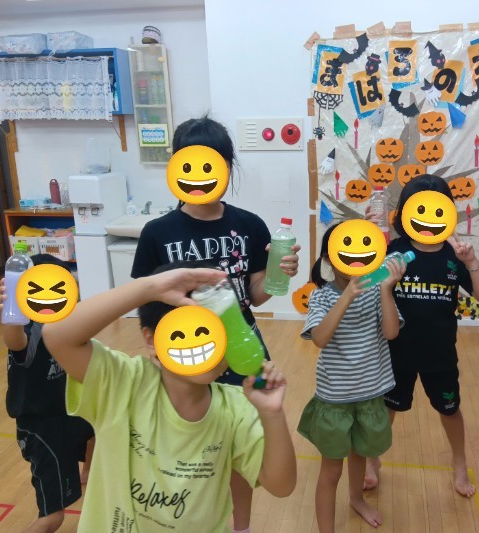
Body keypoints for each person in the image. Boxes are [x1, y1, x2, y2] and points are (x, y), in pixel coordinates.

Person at [131, 116, 300, 533]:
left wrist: (278, 276)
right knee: (189, 446)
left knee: (240, 447)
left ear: (227, 167)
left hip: (241, 348)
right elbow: (145, 299)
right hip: (184, 352)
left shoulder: (249, 225)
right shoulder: (157, 232)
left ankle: (240, 526)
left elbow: (253, 295)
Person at [41, 262, 297, 532]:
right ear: (152, 340)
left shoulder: (236, 409)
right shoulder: (123, 382)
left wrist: (272, 414)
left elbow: (281, 485)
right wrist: (150, 288)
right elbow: (56, 334)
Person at [364, 175, 479, 497]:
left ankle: (459, 464)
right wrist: (368, 239)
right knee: (386, 410)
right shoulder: (392, 250)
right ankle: (371, 461)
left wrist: (472, 261)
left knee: (449, 410)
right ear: (404, 212)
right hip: (395, 351)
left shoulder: (455, 255)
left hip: (439, 353)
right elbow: (364, 285)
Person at [298, 222, 405, 531]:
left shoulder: (376, 293)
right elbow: (320, 338)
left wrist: (385, 289)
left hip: (370, 396)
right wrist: (346, 296)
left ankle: (357, 498)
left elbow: (391, 332)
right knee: (331, 470)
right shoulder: (321, 297)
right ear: (329, 259)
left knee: (360, 455)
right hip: (335, 400)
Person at [0, 254, 95, 533]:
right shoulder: (29, 328)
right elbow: (14, 341)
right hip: (40, 428)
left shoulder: (67, 321)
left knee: (97, 428)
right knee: (53, 518)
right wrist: (12, 314)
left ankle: (88, 474)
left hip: (67, 412)